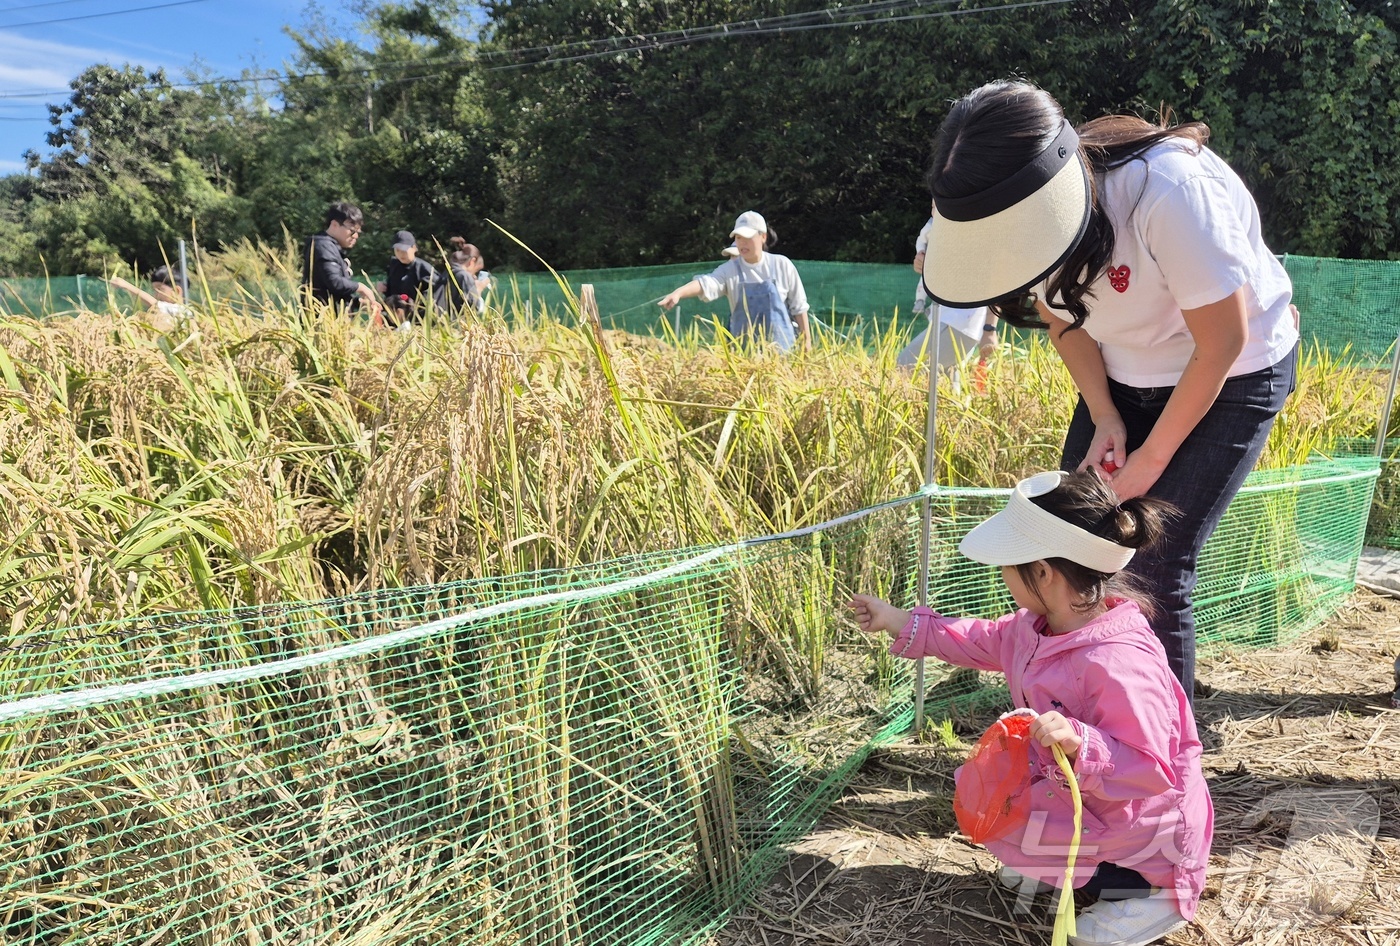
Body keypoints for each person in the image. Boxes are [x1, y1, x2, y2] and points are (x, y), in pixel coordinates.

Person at [921, 80, 1299, 697]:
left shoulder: (1168, 190)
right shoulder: (1011, 221)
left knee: (1150, 562)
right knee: (1072, 545)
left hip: (1231, 372)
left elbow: (1221, 342)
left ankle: (1159, 764)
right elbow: (1063, 323)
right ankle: (1084, 728)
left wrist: (1152, 459)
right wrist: (1105, 415)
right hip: (1123, 375)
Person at [850, 470, 1210, 946]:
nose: (1003, 575)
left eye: (1009, 564)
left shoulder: (1118, 661)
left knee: (1102, 897)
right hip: (1080, 798)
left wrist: (1083, 742)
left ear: (1042, 571)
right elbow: (978, 639)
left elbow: (1148, 767)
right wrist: (897, 620)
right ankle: (1076, 869)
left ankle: (1157, 897)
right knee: (1019, 830)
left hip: (1142, 828)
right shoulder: (1035, 627)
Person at [658, 211, 811, 352]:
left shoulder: (782, 265)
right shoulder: (729, 269)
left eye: (747, 238)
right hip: (744, 357)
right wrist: (679, 293)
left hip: (782, 356)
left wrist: (807, 344)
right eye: (738, 238)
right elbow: (707, 283)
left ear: (763, 237)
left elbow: (799, 308)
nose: (742, 243)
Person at [899, 214, 1000, 372]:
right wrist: (923, 264)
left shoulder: (979, 229)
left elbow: (995, 282)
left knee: (904, 366)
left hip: (960, 324)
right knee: (947, 386)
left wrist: (990, 329)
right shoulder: (943, 230)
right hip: (948, 321)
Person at [301, 202, 382, 318]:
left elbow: (333, 291)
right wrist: (361, 287)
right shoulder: (323, 246)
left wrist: (358, 304)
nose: (355, 236)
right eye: (352, 231)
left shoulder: (331, 247)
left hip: (331, 321)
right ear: (334, 224)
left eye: (358, 233)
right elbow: (335, 282)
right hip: (321, 324)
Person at [377, 230, 437, 327]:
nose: (401, 254)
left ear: (414, 248)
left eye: (404, 250)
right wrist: (384, 288)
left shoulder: (425, 270)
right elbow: (392, 290)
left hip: (417, 321)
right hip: (394, 319)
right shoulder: (394, 265)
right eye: (397, 250)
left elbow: (433, 298)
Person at [107, 265, 191, 332]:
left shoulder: (181, 310)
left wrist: (126, 285)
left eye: (159, 289)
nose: (155, 295)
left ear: (176, 291)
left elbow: (154, 303)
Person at [434, 237, 489, 315]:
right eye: (475, 272)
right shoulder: (464, 276)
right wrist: (479, 289)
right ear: (472, 261)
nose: (474, 276)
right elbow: (475, 308)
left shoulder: (447, 272)